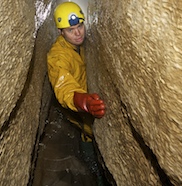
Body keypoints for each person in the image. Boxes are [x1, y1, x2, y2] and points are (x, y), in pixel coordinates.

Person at [47, 2, 106, 184]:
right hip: (78, 106)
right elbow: (62, 85)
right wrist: (82, 101)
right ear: (60, 32)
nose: (78, 33)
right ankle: (92, 164)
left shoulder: (79, 45)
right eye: (71, 30)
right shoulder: (58, 56)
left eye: (80, 26)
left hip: (86, 98)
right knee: (88, 131)